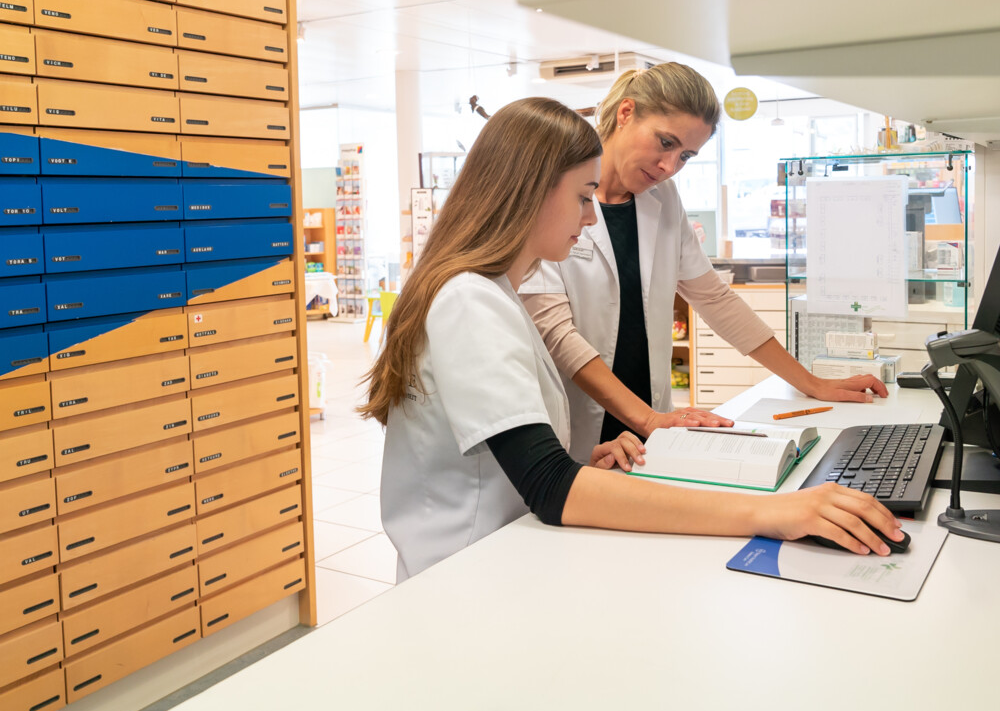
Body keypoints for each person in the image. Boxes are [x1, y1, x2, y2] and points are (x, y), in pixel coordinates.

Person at [359, 96, 903, 582]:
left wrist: (583, 462)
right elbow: (548, 485)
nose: (590, 216)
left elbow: (527, 463)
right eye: (582, 197)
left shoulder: (490, 292)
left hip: (510, 555)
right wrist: (770, 513)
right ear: (529, 192)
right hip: (465, 575)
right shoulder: (470, 300)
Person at [520, 63, 888, 463]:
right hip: (581, 427)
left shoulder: (663, 197)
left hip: (649, 426)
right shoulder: (555, 191)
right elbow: (557, 334)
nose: (669, 167)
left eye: (685, 156)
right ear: (626, 113)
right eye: (665, 142)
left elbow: (714, 297)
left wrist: (811, 383)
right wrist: (648, 419)